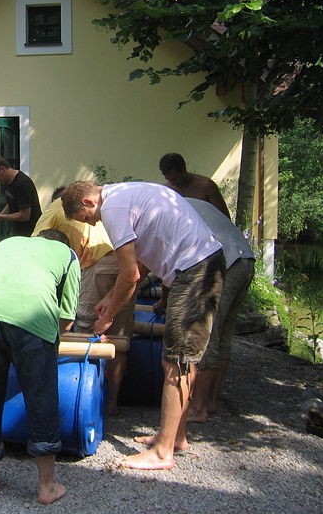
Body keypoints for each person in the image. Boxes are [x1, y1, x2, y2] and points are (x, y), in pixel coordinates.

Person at [62, 180, 225, 470]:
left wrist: (109, 315)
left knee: (176, 361)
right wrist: (111, 296)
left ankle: (163, 453)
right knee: (182, 358)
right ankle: (175, 437)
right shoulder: (129, 193)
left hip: (195, 271)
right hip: (200, 265)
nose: (95, 222)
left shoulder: (112, 207)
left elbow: (131, 275)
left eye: (89, 218)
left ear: (88, 202)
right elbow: (145, 261)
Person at [0, 229, 79, 504]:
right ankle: (47, 486)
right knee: (41, 396)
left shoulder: (8, 242)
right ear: (62, 244)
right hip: (33, 314)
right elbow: (67, 317)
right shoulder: (68, 255)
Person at [32, 189, 136, 414]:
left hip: (96, 264)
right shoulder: (106, 206)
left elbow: (36, 244)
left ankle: (85, 400)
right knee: (119, 335)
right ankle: (113, 401)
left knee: (87, 330)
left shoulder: (55, 207)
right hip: (124, 262)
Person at [181, 198, 255, 422]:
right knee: (223, 334)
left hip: (228, 263)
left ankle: (198, 408)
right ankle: (211, 400)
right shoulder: (188, 203)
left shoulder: (173, 210)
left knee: (208, 334)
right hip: (245, 260)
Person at [158, 153, 232, 218]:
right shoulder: (167, 191)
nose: (172, 183)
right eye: (169, 180)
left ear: (183, 170)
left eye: (174, 179)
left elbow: (224, 218)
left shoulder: (206, 186)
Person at [0, 156, 41, 237]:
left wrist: (1, 217)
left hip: (30, 233)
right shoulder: (8, 182)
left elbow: (24, 215)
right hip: (17, 231)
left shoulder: (22, 184)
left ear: (2, 169)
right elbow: (11, 203)